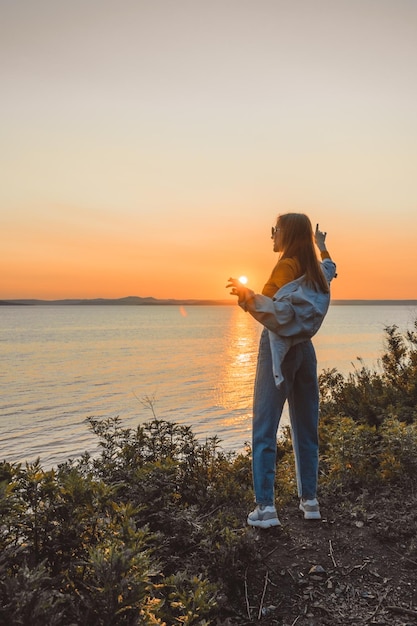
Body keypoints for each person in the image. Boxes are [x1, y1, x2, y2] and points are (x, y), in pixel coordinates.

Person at [227, 213, 336, 528]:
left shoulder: (285, 267)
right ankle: (310, 501)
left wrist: (248, 298)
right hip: (306, 350)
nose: (271, 236)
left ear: (285, 234)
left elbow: (277, 313)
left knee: (264, 428)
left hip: (280, 350)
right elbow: (331, 269)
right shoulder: (315, 270)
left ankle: (265, 508)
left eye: (274, 230)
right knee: (306, 426)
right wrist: (323, 246)